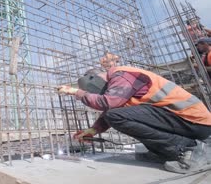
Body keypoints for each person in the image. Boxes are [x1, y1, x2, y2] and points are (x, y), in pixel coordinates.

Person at [57, 65, 211, 174]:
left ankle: (189, 149)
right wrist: (93, 130)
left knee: (115, 116)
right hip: (184, 121)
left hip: (193, 121)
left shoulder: (122, 75)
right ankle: (163, 152)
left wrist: (77, 93)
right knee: (116, 114)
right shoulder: (121, 80)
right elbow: (113, 108)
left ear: (95, 78)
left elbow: (108, 104)